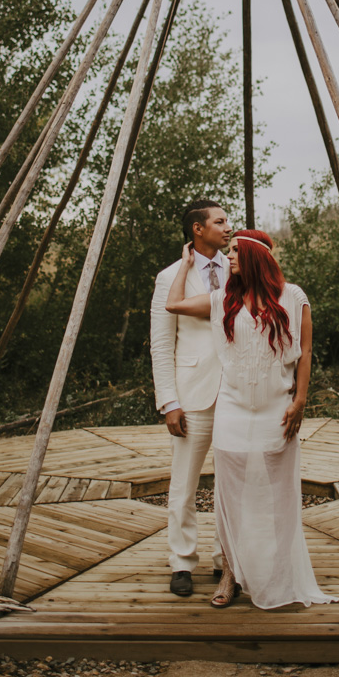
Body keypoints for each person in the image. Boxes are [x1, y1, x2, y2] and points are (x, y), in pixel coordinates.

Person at [165, 228, 338, 610]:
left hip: (278, 407)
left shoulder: (293, 297)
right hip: (231, 407)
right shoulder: (222, 300)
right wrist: (186, 262)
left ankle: (278, 573)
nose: (228, 258)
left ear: (256, 257)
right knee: (230, 493)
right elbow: (173, 305)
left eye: (235, 252)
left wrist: (302, 401)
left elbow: (306, 352)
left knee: (279, 492)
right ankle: (230, 573)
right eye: (228, 252)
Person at [150, 200, 231, 597]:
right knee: (184, 483)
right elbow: (161, 344)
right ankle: (182, 562)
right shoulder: (169, 277)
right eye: (220, 221)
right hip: (192, 393)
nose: (228, 227)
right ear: (198, 229)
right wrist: (169, 401)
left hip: (236, 393)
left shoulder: (238, 271)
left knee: (231, 482)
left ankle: (225, 560)